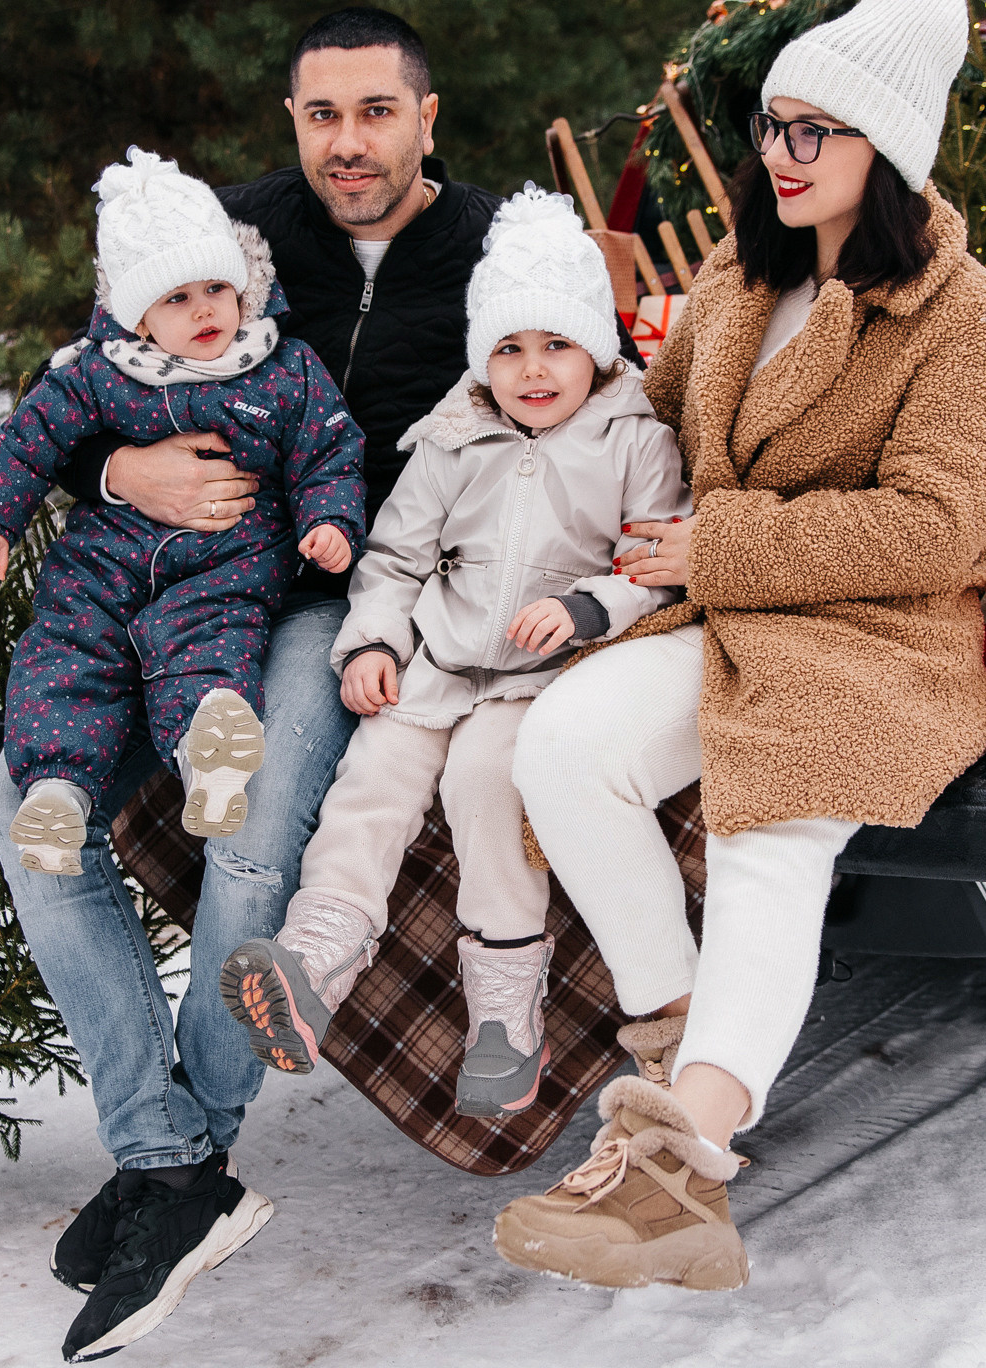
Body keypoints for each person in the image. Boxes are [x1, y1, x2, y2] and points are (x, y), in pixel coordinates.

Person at [0, 8, 639, 1361]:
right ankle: (171, 1156)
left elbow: (598, 392)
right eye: (323, 114)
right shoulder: (229, 236)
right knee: (17, 813)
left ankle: (178, 1161)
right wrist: (115, 473)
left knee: (254, 820)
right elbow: (84, 379)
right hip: (170, 578)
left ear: (427, 120)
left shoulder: (494, 253)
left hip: (351, 599)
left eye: (377, 112)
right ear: (293, 120)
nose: (350, 142)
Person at [491, 0, 986, 1291]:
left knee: (770, 829)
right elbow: (656, 421)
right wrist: (532, 422)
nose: (779, 155)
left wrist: (720, 546)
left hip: (876, 639)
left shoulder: (972, 318)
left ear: (884, 150)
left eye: (812, 131)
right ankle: (678, 1046)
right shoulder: (742, 273)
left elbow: (937, 530)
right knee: (561, 744)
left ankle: (682, 1166)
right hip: (723, 609)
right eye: (772, 127)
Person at [216, 188, 691, 1116]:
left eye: (556, 345)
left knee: (486, 788)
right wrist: (373, 642)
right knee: (373, 778)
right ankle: (316, 960)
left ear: (596, 349)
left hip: (542, 676)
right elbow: (395, 556)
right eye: (508, 348)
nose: (533, 369)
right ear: (481, 358)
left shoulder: (633, 437)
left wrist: (590, 607)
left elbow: (656, 562)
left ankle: (505, 1019)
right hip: (439, 659)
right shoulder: (452, 436)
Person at [0, 149, 365, 892]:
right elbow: (30, 436)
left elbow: (329, 449)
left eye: (217, 289)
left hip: (227, 562)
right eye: (178, 298)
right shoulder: (100, 371)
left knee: (209, 645)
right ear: (138, 316)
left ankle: (210, 758)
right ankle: (57, 790)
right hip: (104, 560)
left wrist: (330, 520)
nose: (205, 310)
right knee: (69, 649)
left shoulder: (284, 367)